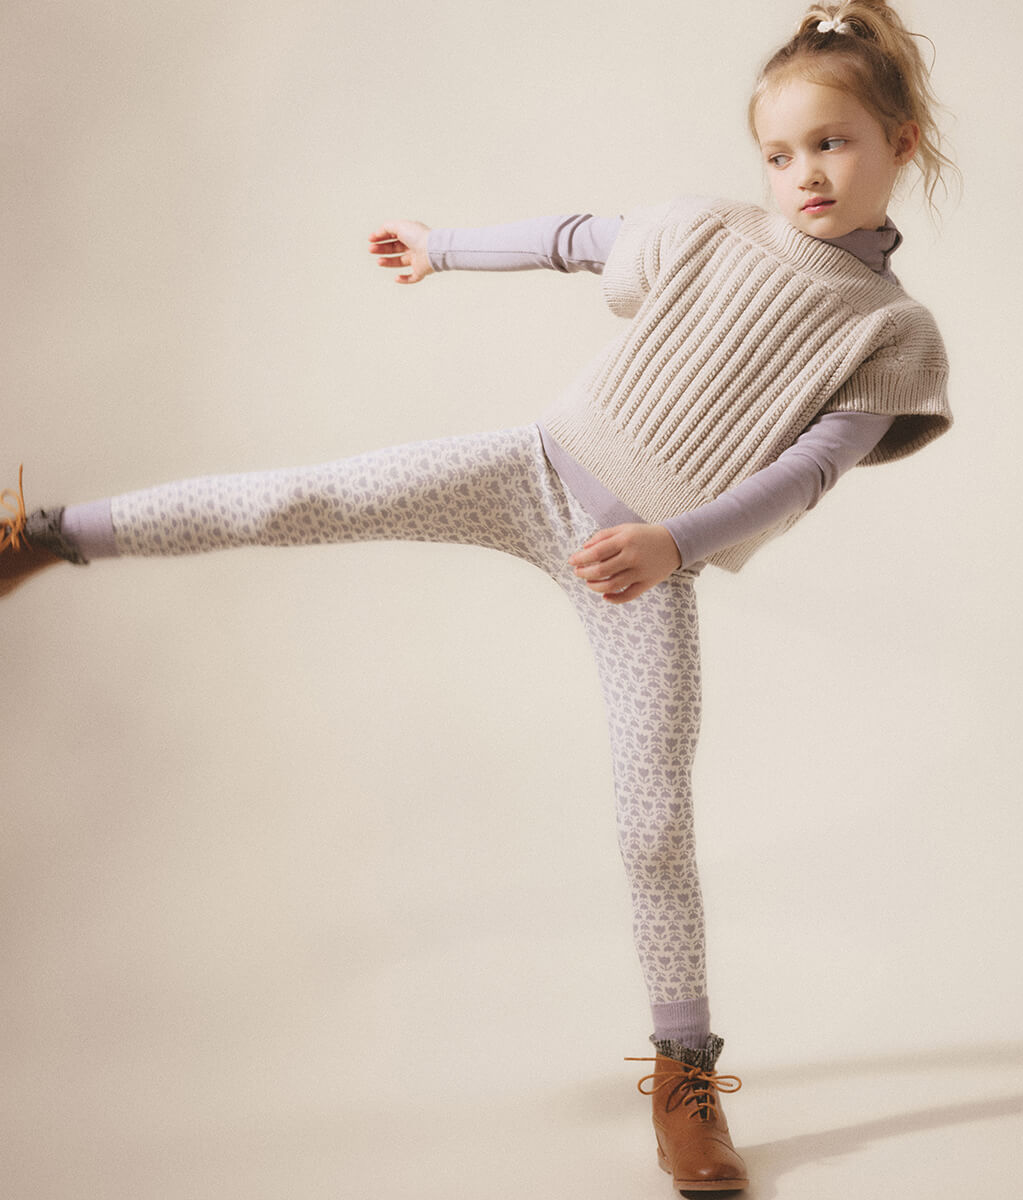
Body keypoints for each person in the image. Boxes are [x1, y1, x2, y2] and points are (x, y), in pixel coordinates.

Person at [1, 2, 954, 1192]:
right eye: (779, 151)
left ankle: (685, 1078)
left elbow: (806, 472)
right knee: (301, 497)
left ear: (900, 142)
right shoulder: (710, 230)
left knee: (653, 821)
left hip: (641, 566)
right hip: (528, 471)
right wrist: (439, 244)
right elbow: (576, 237)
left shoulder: (890, 332)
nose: (804, 172)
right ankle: (43, 534)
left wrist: (672, 544)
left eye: (832, 143)